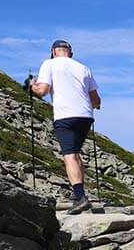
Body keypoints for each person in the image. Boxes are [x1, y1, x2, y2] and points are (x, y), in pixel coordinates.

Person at [29, 40, 100, 213]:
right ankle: (79, 195)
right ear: (70, 53)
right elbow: (96, 100)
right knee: (75, 153)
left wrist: (32, 86)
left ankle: (80, 197)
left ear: (53, 52)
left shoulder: (49, 64)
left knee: (69, 155)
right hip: (85, 116)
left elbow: (43, 91)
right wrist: (94, 106)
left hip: (65, 115)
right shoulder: (84, 68)